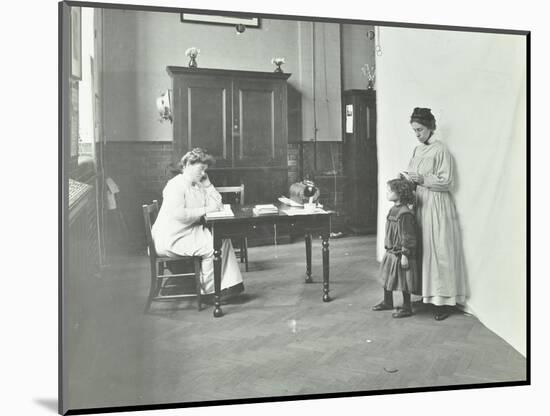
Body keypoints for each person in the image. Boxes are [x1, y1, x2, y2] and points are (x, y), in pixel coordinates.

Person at [401, 107, 467, 321]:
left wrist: (423, 179)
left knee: (439, 249)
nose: (418, 134)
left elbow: (447, 182)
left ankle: (443, 301)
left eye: (420, 129)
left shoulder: (441, 150)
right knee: (423, 249)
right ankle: (428, 295)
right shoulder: (417, 150)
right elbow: (413, 175)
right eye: (414, 131)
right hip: (420, 202)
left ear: (430, 128)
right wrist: (407, 180)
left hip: (437, 203)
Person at [152, 148, 244, 298]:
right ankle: (208, 293)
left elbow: (218, 203)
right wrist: (207, 209)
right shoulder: (175, 185)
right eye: (201, 169)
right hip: (172, 237)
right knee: (212, 248)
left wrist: (208, 185)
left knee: (223, 240)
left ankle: (229, 286)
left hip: (187, 231)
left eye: (205, 170)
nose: (203, 174)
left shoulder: (198, 184)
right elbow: (179, 215)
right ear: (188, 164)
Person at [372, 178, 420, 318]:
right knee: (387, 277)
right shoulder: (394, 209)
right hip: (391, 252)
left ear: (400, 193)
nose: (387, 193)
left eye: (390, 191)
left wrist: (405, 254)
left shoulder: (404, 213)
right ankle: (388, 301)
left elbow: (408, 236)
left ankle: (407, 307)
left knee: (405, 280)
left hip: (401, 253)